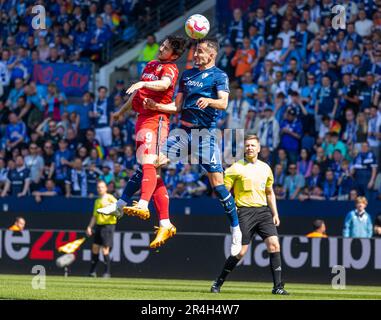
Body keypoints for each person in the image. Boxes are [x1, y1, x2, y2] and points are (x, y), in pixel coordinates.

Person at [143, 38, 243, 256]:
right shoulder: (187, 74)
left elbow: (224, 103)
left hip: (205, 135)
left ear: (211, 55)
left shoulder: (219, 76)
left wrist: (210, 102)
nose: (195, 55)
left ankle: (236, 229)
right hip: (184, 133)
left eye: (200, 52)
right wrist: (157, 106)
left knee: (217, 184)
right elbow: (177, 107)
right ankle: (149, 213)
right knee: (152, 162)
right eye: (195, 51)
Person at [98, 36, 187, 249]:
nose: (161, 48)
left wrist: (143, 82)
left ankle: (143, 205)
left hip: (156, 120)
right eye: (162, 45)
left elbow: (164, 84)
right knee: (151, 172)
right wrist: (121, 111)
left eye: (166, 48)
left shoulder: (171, 68)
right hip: (142, 119)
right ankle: (164, 222)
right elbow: (138, 93)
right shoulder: (151, 64)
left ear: (174, 55)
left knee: (148, 164)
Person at [210, 135, 288, 295]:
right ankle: (218, 282)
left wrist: (275, 213)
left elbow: (269, 192)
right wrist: (232, 209)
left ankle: (278, 287)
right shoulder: (236, 168)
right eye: (247, 146)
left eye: (253, 145)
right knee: (240, 252)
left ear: (259, 148)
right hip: (244, 212)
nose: (250, 148)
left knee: (274, 245)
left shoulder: (266, 168)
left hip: (264, 212)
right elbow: (224, 192)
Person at [86, 181, 117, 278]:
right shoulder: (97, 201)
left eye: (102, 187)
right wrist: (89, 227)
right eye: (98, 187)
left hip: (108, 226)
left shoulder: (111, 198)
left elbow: (119, 208)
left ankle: (107, 272)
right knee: (95, 248)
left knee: (105, 249)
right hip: (99, 226)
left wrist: (111, 207)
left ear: (106, 188)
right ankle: (92, 272)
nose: (100, 189)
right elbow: (95, 216)